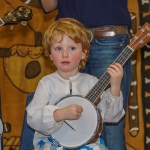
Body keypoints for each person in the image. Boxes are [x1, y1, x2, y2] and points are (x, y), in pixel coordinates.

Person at [40, 1, 132, 149]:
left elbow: (112, 115)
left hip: (108, 35)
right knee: (74, 126)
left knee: (110, 129)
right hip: (69, 40)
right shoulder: (47, 82)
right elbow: (48, 5)